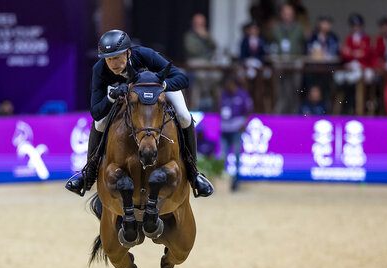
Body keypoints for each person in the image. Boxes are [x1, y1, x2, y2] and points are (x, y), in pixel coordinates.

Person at [65, 29, 214, 198]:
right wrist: (111, 97)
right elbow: (96, 112)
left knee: (185, 117)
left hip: (156, 90)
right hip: (123, 96)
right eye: (108, 59)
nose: (113, 63)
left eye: (117, 57)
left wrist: (161, 85)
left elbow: (181, 78)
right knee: (100, 123)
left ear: (128, 53)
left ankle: (194, 174)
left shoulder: (145, 55)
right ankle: (88, 174)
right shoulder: (100, 70)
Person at [270, 3, 306, 114]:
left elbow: (303, 44)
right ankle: (280, 113)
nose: (287, 16)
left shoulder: (298, 28)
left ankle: (294, 112)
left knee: (295, 88)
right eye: (285, 13)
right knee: (281, 90)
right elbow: (271, 44)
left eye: (290, 14)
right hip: (281, 62)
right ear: (282, 14)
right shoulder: (276, 28)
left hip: (294, 62)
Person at [220, 74, 252, 191]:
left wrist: (244, 124)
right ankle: (223, 181)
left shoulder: (242, 95)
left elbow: (248, 110)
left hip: (236, 130)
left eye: (228, 84)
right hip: (225, 129)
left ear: (233, 84)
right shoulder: (224, 94)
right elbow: (220, 108)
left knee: (237, 156)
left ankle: (236, 182)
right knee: (222, 156)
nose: (227, 86)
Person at [184, 13, 221, 111]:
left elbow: (214, 46)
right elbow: (194, 51)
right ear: (193, 24)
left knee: (217, 76)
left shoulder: (206, 35)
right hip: (195, 62)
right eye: (197, 23)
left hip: (207, 63)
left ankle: (218, 109)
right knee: (200, 77)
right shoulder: (189, 36)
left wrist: (206, 37)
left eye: (202, 24)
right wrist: (207, 52)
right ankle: (195, 108)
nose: (199, 26)